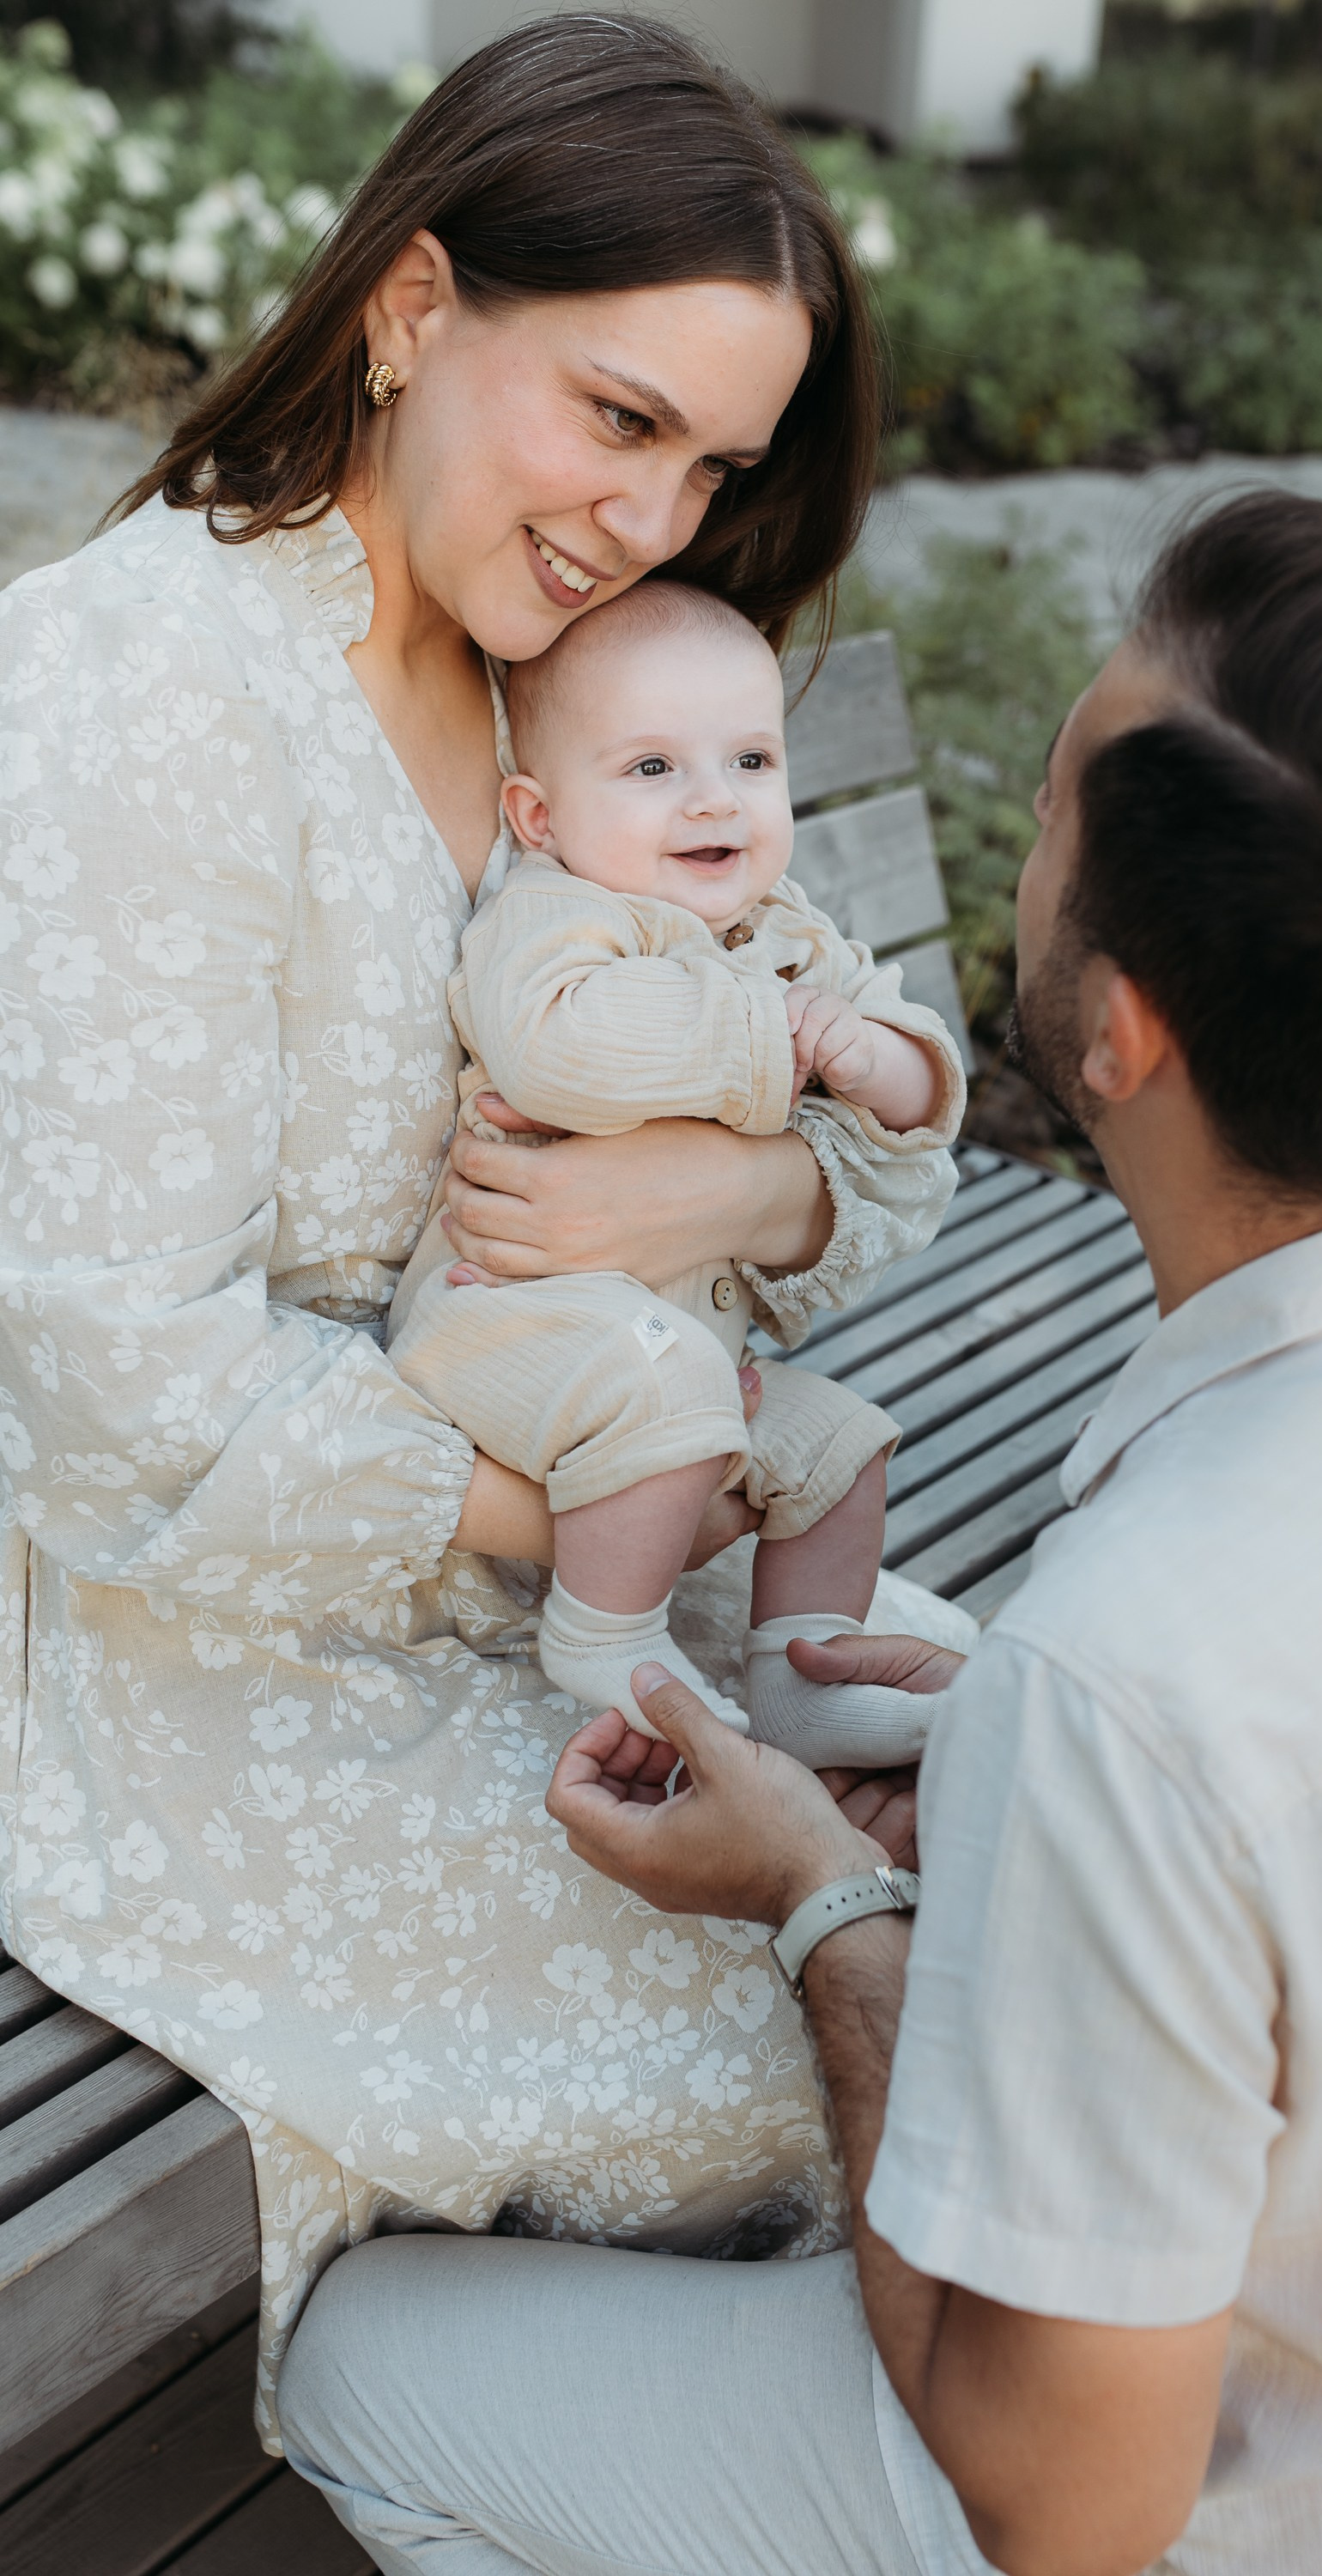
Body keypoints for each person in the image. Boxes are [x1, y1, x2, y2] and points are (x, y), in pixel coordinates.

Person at [278, 492, 1322, 2576]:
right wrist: (1010, 1766)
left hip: (1243, 2517)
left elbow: (1059, 2508)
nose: (1014, 845)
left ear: (1115, 1032)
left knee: (358, 2366)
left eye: (1044, 810)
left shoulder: (1136, 1688)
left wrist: (816, 1909)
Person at [0, 15, 973, 2440]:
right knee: (874, 2028)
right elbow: (128, 1392)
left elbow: (866, 1169)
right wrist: (592, 1519)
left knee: (1066, 1846)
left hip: (614, 1544)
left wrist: (730, 1176)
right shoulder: (141, 697)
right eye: (616, 419)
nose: (653, 521)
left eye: (714, 463)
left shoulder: (599, 671)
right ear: (412, 305)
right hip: (200, 1650)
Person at [387, 578, 963, 1753]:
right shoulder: (560, 918)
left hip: (674, 1369)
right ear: (538, 817)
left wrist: (875, 1058)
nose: (716, 799)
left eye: (751, 760)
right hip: (504, 1327)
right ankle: (608, 1632)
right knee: (668, 1385)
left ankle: (804, 1683)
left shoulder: (789, 934)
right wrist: (771, 1041)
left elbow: (920, 1101)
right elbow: (556, 1049)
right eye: (652, 769)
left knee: (841, 1448)